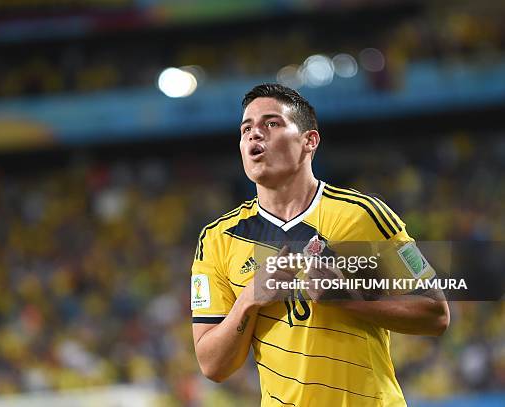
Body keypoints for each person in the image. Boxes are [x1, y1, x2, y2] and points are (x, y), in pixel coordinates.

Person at [190, 83, 449, 406]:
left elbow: (436, 314)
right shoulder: (218, 239)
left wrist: (348, 301)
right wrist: (249, 299)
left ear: (309, 141)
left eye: (271, 123)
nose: (255, 135)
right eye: (246, 129)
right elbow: (212, 365)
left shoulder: (362, 216)